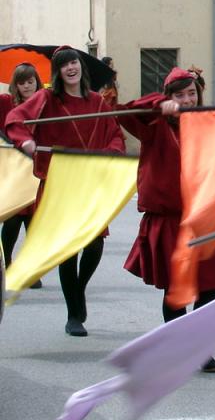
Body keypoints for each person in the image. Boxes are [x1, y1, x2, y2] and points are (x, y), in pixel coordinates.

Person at [117, 67, 215, 372]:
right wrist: (159, 104)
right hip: (169, 220)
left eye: (192, 93)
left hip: (204, 218)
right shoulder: (154, 126)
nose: (187, 99)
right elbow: (125, 113)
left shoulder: (208, 124)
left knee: (210, 288)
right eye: (180, 94)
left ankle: (199, 348)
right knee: (176, 289)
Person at [4, 47, 126, 337]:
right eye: (63, 65)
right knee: (69, 251)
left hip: (91, 184)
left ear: (80, 66)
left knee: (95, 245)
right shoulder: (47, 99)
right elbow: (15, 121)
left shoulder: (97, 101)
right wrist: (26, 142)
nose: (70, 68)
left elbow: (115, 135)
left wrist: (111, 153)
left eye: (74, 62)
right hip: (60, 185)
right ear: (57, 72)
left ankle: (78, 289)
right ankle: (74, 314)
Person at [1, 62, 44, 286]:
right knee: (13, 218)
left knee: (34, 220)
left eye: (30, 81)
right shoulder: (6, 102)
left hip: (39, 168)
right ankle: (7, 264)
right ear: (15, 85)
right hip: (14, 167)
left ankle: (29, 270)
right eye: (22, 82)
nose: (27, 86)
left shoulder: (46, 103)